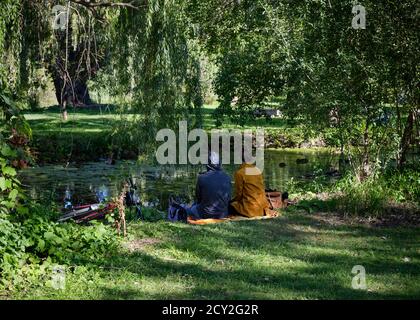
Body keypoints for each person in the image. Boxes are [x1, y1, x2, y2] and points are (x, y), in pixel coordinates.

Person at [186, 151, 231, 220]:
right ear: (219, 163)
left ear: (207, 165)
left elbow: (198, 199)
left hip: (206, 214)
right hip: (223, 214)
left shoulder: (201, 177)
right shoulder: (227, 177)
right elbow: (228, 198)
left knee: (190, 208)